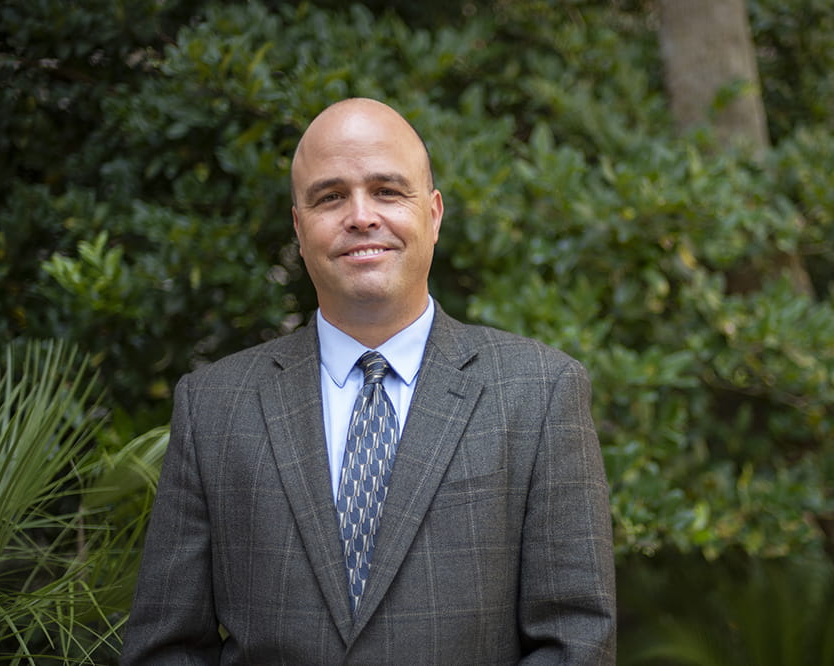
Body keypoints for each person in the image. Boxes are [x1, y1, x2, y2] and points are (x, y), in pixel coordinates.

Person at [121, 98, 616, 664]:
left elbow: (575, 641)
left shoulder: (539, 392)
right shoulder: (212, 406)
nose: (360, 216)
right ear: (299, 226)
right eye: (331, 196)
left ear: (432, 214)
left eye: (386, 191)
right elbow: (166, 647)